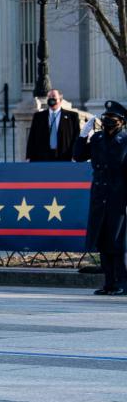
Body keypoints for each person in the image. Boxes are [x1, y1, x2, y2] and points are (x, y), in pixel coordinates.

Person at [73, 101, 127, 295]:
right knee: (103, 241)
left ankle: (123, 282)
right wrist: (82, 136)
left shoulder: (125, 140)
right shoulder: (97, 139)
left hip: (119, 197)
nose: (107, 123)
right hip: (99, 196)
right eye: (105, 119)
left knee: (117, 242)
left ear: (121, 122)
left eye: (112, 120)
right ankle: (109, 282)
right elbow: (78, 156)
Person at [26, 88, 80, 162]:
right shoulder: (38, 117)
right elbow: (32, 138)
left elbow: (76, 138)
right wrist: (29, 156)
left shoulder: (72, 117)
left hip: (65, 158)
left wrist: (76, 156)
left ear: (60, 99)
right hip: (43, 159)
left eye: (54, 96)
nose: (51, 98)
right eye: (49, 97)